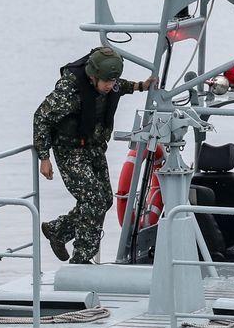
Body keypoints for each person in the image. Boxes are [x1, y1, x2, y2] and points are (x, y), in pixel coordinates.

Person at [35, 47, 156, 263]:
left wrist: (140, 86)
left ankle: (58, 230)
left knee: (105, 200)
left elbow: (120, 86)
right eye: (106, 82)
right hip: (70, 150)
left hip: (94, 147)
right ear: (92, 77)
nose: (110, 86)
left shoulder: (109, 83)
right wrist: (44, 157)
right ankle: (81, 259)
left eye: (112, 81)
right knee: (93, 200)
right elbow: (41, 118)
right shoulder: (69, 91)